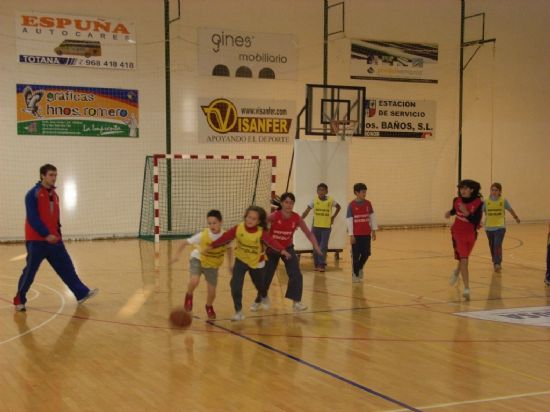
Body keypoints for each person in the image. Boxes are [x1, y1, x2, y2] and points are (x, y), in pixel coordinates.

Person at [13, 164, 98, 312]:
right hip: (37, 241)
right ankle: (19, 299)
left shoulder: (55, 195)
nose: (54, 178)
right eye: (51, 175)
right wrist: (46, 234)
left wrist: (57, 234)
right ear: (42, 176)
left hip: (54, 240)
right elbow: (33, 218)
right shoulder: (32, 194)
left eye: (55, 175)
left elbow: (55, 218)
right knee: (30, 271)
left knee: (67, 267)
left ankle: (81, 293)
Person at [209, 206, 290, 321]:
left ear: (258, 221)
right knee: (235, 285)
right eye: (248, 217)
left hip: (256, 262)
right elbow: (226, 237)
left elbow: (271, 242)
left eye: (253, 219)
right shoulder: (239, 228)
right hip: (241, 260)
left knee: (259, 285)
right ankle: (238, 311)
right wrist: (213, 244)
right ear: (245, 217)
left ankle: (264, 295)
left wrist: (282, 250)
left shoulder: (260, 232)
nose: (250, 220)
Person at [253, 192, 322, 312]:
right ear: (282, 203)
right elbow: (260, 223)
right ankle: (259, 299)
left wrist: (316, 245)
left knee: (296, 274)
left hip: (288, 249)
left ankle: (296, 303)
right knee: (266, 277)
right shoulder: (274, 216)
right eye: (286, 202)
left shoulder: (296, 218)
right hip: (273, 249)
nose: (289, 205)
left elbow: (308, 233)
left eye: (291, 202)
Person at [171, 210, 232, 320]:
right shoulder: (203, 235)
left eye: (214, 223)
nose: (212, 225)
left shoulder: (226, 236)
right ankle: (189, 296)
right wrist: (176, 255)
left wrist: (230, 264)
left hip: (212, 265)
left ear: (221, 222)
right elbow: (184, 242)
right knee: (194, 280)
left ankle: (208, 306)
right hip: (198, 259)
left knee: (212, 292)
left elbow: (229, 249)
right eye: (209, 223)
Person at [445, 179, 483, 300]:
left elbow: (475, 221)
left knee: (464, 259)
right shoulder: (456, 200)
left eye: (466, 188)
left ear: (472, 190)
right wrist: (449, 213)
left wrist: (466, 212)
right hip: (457, 233)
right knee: (464, 260)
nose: (463, 190)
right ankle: (467, 289)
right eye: (461, 188)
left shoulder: (478, 203)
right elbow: (453, 210)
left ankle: (457, 271)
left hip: (471, 234)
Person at [302, 183, 341, 272]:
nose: (321, 192)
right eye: (319, 190)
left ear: (326, 191)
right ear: (317, 191)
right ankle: (316, 264)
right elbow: (306, 211)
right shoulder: (314, 201)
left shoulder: (331, 200)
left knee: (323, 246)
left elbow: (339, 207)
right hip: (315, 227)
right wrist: (299, 220)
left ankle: (322, 264)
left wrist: (333, 217)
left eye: (323, 190)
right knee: (316, 246)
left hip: (326, 227)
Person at [483, 182, 520, 272]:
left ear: (500, 191)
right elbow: (482, 211)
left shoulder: (503, 201)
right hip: (489, 228)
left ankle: (497, 263)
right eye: (492, 190)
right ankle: (495, 261)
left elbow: (510, 209)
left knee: (497, 245)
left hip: (500, 227)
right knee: (492, 245)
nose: (494, 192)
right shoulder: (486, 201)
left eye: (496, 190)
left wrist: (516, 217)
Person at [346, 183, 377, 283]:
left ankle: (360, 267)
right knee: (355, 256)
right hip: (356, 235)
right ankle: (355, 274)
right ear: (356, 193)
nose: (365, 194)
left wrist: (373, 230)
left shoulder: (368, 204)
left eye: (365, 192)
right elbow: (349, 220)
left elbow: (372, 217)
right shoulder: (351, 205)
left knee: (366, 253)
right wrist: (351, 235)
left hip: (366, 234)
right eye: (363, 192)